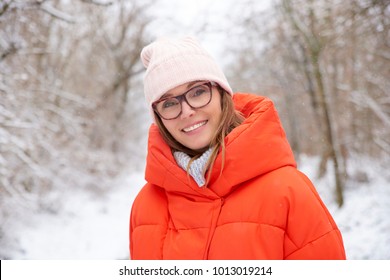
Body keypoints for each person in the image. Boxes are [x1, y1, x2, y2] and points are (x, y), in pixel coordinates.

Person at [129, 36, 346, 260]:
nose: (186, 111)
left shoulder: (288, 191)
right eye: (169, 103)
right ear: (159, 119)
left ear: (222, 94)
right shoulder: (145, 206)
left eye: (197, 92)